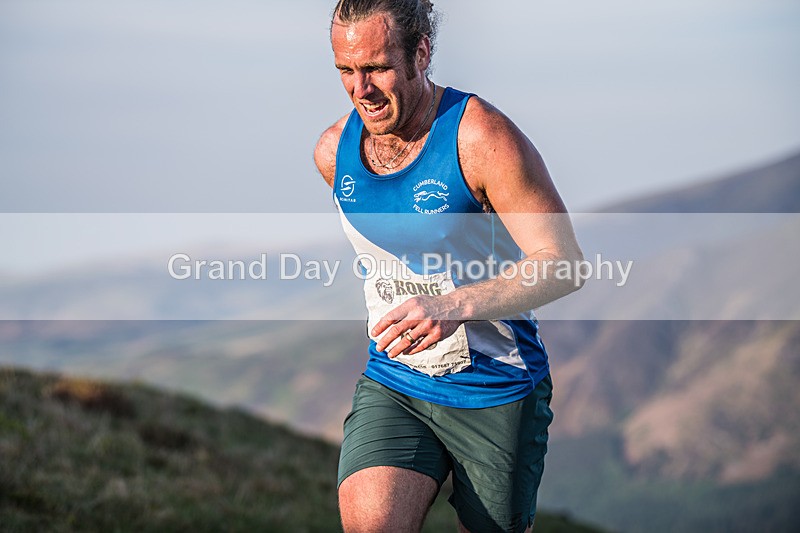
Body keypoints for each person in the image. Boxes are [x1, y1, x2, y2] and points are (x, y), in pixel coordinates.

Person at [314, 1, 583, 531]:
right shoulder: (333, 152)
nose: (361, 89)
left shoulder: (481, 139)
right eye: (346, 71)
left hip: (496, 388)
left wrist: (454, 305)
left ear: (421, 52)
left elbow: (564, 264)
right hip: (396, 381)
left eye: (377, 68)